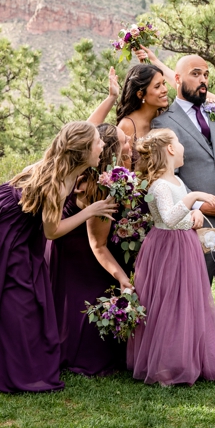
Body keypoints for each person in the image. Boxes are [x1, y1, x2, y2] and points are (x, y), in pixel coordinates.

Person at [0, 121, 114, 393]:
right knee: (13, 289)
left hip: (17, 223)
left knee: (26, 287)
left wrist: (110, 98)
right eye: (97, 142)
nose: (102, 145)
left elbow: (78, 130)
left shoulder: (72, 168)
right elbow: (52, 232)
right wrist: (90, 212)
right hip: (2, 223)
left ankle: (18, 360)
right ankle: (9, 367)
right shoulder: (59, 181)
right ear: (83, 150)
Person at [129, 129, 215, 386]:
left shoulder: (178, 182)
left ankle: (189, 357)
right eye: (179, 142)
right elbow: (168, 217)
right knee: (168, 303)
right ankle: (165, 364)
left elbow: (183, 210)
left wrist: (196, 213)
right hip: (166, 248)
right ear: (169, 149)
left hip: (186, 245)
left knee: (189, 301)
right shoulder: (159, 185)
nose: (182, 147)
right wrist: (194, 197)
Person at [150, 53, 215, 312]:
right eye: (195, 74)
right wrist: (198, 207)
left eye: (205, 75)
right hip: (200, 225)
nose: (203, 80)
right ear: (178, 79)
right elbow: (169, 173)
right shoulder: (161, 123)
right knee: (196, 296)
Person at [51, 124, 131, 377]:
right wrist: (122, 278)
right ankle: (82, 355)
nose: (128, 141)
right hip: (82, 255)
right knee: (84, 302)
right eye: (121, 140)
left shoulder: (81, 173)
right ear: (110, 150)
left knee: (71, 303)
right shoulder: (102, 188)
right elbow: (98, 244)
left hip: (68, 250)